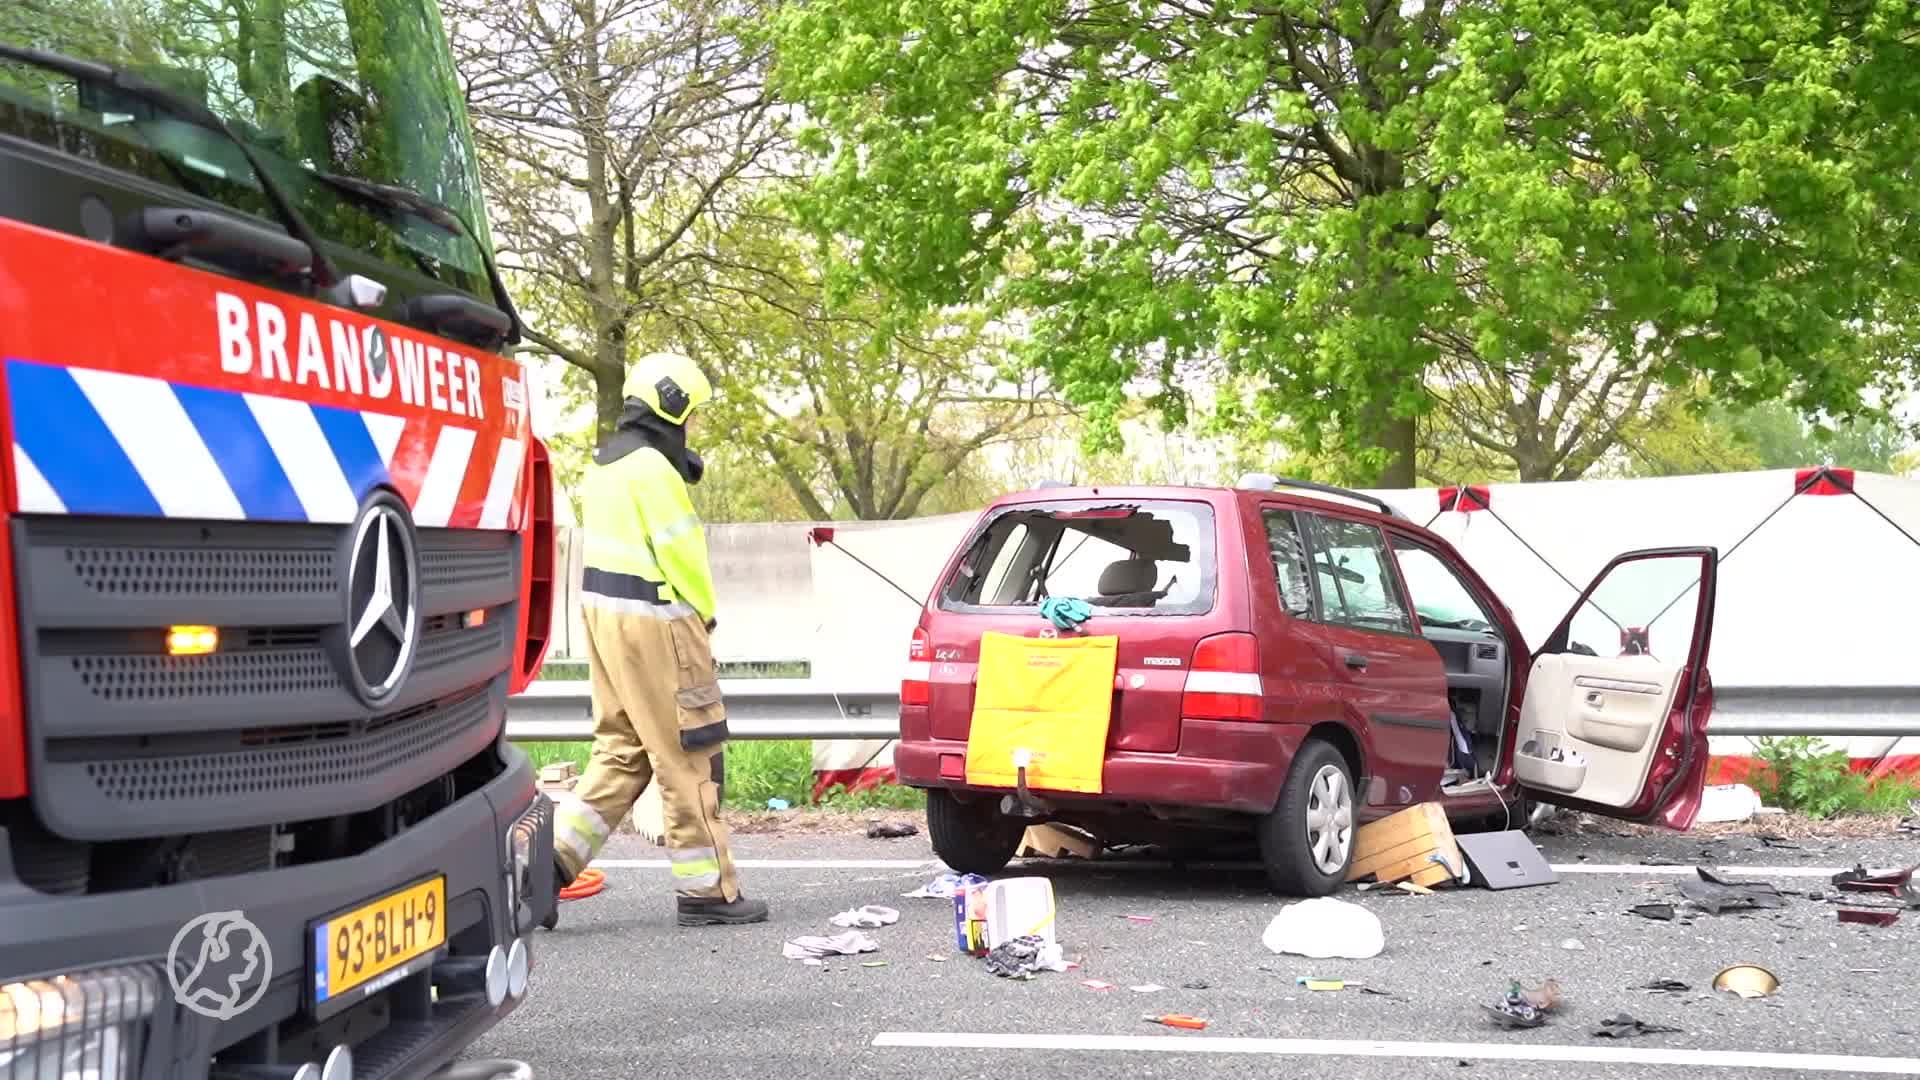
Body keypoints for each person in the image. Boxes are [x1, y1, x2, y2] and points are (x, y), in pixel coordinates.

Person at [548, 351, 768, 927]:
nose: (694, 427)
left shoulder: (605, 464)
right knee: (688, 753)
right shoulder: (654, 471)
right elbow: (682, 554)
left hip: (602, 617)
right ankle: (707, 894)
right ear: (672, 407)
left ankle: (543, 870)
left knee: (621, 752)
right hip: (658, 617)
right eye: (692, 415)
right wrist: (705, 618)